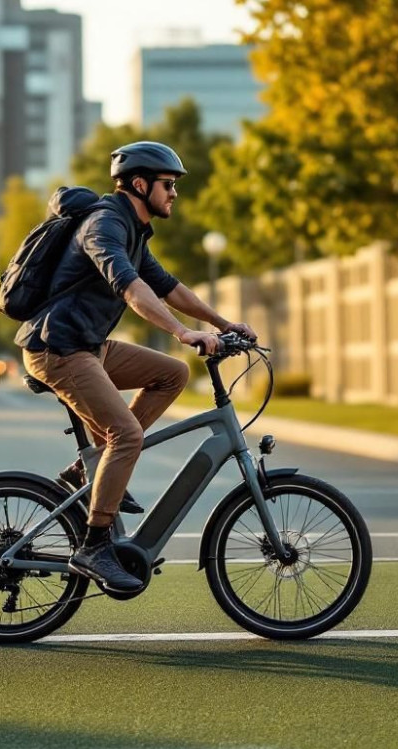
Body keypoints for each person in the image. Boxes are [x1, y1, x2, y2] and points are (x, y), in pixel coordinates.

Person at [14, 141, 257, 594]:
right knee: (126, 434)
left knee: (173, 374)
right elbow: (132, 290)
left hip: (89, 346)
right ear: (140, 184)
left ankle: (89, 470)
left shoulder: (133, 230)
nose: (175, 194)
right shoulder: (104, 225)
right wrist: (184, 334)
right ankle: (94, 543)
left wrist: (224, 324)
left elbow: (168, 287)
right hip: (58, 349)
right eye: (169, 185)